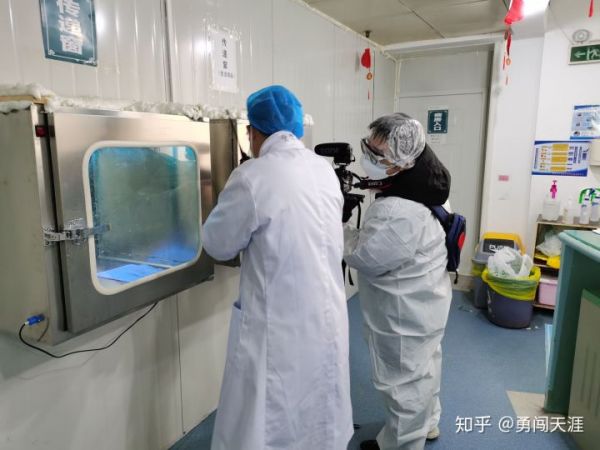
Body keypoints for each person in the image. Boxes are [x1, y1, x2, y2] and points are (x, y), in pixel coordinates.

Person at [203, 85, 353, 450]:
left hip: (279, 323)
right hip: (326, 314)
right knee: (320, 402)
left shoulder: (252, 177)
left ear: (253, 132)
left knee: (269, 416)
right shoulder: (323, 170)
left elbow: (217, 243)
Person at [343, 113, 452, 450]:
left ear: (403, 161)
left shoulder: (398, 211)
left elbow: (365, 257)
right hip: (426, 299)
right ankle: (428, 424)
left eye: (378, 155)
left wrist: (339, 227)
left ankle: (403, 445)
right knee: (424, 369)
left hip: (405, 312)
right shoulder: (427, 183)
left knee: (404, 382)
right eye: (368, 147)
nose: (369, 158)